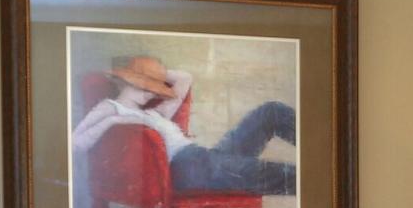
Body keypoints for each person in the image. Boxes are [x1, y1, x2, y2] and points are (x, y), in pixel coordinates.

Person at [70, 54, 298, 195]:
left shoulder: (157, 112)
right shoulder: (110, 108)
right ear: (123, 81)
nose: (150, 91)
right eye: (142, 83)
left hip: (203, 158)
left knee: (271, 111)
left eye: (154, 86)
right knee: (281, 174)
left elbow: (185, 78)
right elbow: (75, 143)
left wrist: (153, 75)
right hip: (181, 168)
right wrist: (114, 121)